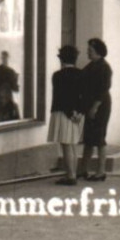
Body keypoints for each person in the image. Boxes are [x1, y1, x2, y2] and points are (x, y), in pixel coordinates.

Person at [47, 45, 83, 185]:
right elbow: (82, 96)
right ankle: (72, 173)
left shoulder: (58, 76)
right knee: (72, 144)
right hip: (78, 114)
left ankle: (71, 176)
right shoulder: (81, 74)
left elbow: (61, 96)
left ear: (61, 59)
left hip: (63, 112)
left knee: (66, 145)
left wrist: (70, 113)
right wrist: (78, 112)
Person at [77, 37, 113, 181]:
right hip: (91, 104)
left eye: (90, 50)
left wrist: (94, 107)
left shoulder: (104, 67)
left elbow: (103, 89)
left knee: (99, 138)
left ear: (98, 51)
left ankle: (101, 171)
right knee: (89, 138)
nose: (88, 52)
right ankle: (83, 169)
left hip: (100, 105)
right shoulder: (91, 65)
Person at [0, 51, 21, 122]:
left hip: (4, 100)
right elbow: (15, 89)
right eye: (3, 58)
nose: (4, 59)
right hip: (0, 99)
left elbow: (15, 89)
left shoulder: (10, 71)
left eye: (5, 58)